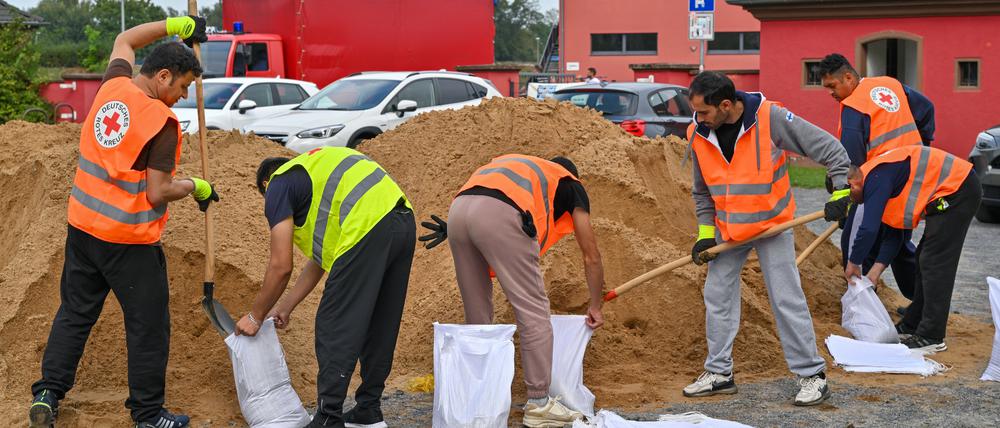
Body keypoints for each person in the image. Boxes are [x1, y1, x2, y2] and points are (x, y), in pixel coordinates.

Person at [29, 16, 213, 428]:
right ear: (163, 76)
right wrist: (194, 186)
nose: (183, 97)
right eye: (182, 87)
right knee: (148, 326)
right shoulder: (160, 123)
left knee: (74, 314)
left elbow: (125, 39)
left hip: (82, 227)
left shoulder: (113, 85)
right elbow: (157, 192)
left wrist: (174, 25)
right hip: (128, 241)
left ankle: (47, 393)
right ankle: (148, 416)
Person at [683, 71, 850, 406]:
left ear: (726, 105)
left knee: (786, 298)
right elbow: (702, 192)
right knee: (717, 294)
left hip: (772, 225)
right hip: (730, 230)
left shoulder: (770, 118)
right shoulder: (697, 132)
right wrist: (705, 235)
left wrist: (841, 190)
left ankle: (811, 376)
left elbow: (827, 147)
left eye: (704, 112)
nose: (697, 119)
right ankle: (719, 373)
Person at [419, 155, 605, 427]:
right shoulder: (569, 182)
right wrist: (596, 305)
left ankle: (476, 400)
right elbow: (591, 255)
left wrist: (465, 228)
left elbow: (484, 202)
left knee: (477, 314)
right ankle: (540, 404)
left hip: (459, 213)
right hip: (499, 214)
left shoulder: (525, 169)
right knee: (534, 311)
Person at [239, 147, 415, 428]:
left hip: (368, 222)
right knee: (380, 322)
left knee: (334, 323)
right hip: (402, 220)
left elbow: (281, 265)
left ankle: (328, 417)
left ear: (265, 184)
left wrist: (255, 316)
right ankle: (368, 410)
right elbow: (319, 262)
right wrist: (286, 306)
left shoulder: (278, 183)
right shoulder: (317, 187)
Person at [817, 53, 936, 299]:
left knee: (858, 242)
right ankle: (921, 306)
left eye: (832, 86)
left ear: (848, 77)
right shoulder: (889, 84)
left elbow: (852, 166)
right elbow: (927, 108)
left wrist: (843, 197)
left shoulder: (852, 107)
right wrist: (923, 142)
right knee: (898, 240)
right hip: (914, 172)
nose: (830, 93)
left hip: (883, 181)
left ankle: (862, 301)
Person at [845, 145, 981, 352]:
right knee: (922, 257)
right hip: (952, 190)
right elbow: (894, 234)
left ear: (853, 184)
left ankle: (932, 335)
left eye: (848, 197)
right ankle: (913, 322)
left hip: (958, 190)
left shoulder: (875, 178)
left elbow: (868, 228)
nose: (850, 202)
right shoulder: (877, 178)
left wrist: (854, 262)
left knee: (935, 261)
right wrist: (875, 272)